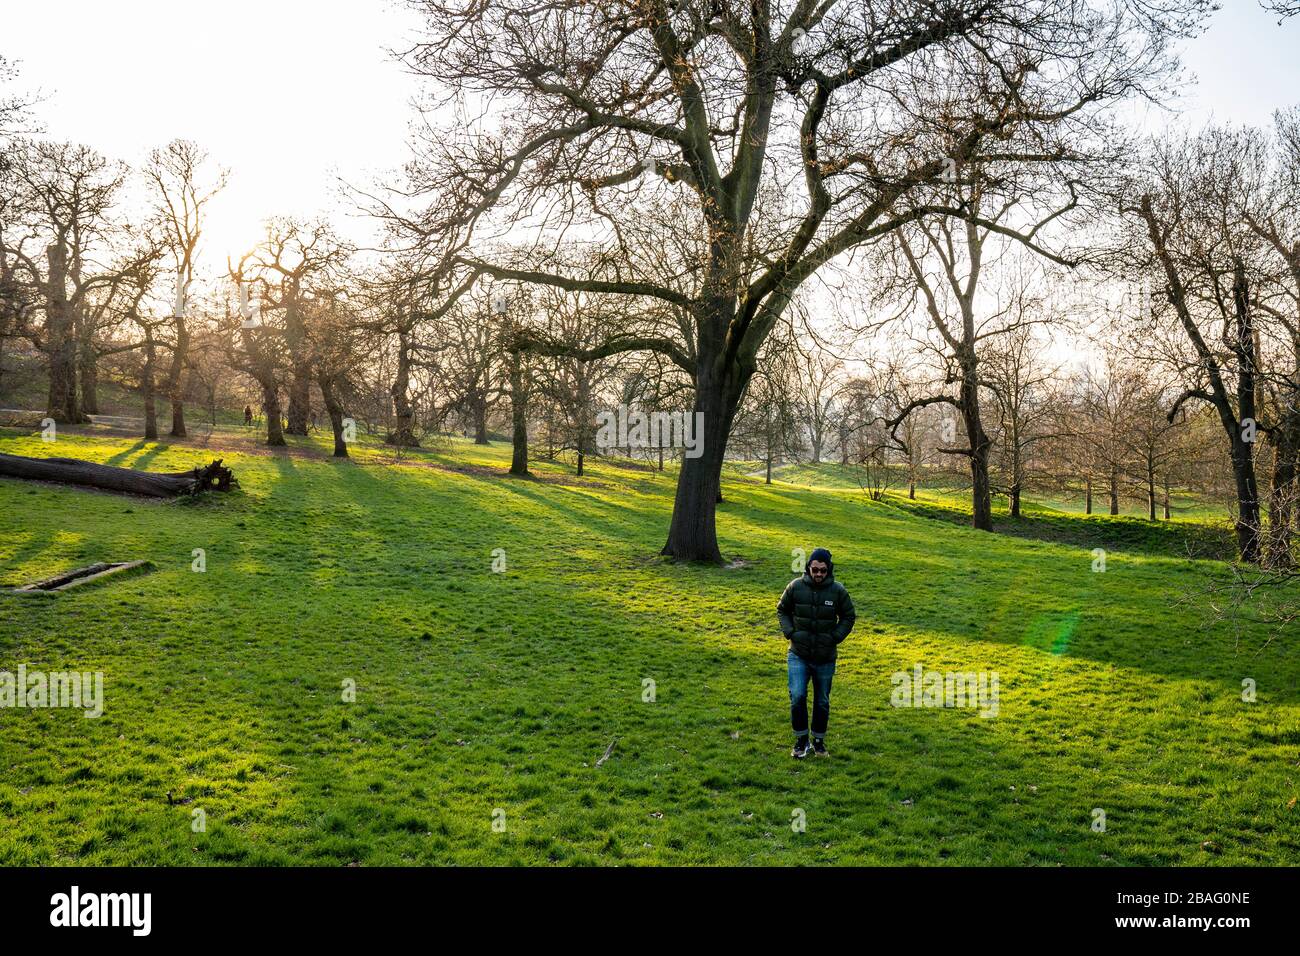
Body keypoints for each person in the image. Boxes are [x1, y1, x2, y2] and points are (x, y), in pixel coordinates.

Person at [777, 547, 856, 758]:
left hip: (825, 656)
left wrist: (835, 637)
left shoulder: (838, 591)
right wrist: (790, 632)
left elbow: (849, 616)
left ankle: (819, 741)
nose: (818, 574)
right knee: (797, 696)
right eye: (815, 570)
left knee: (822, 700)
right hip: (798, 653)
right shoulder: (795, 587)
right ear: (808, 568)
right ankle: (801, 740)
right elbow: (782, 609)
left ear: (828, 570)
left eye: (822, 570)